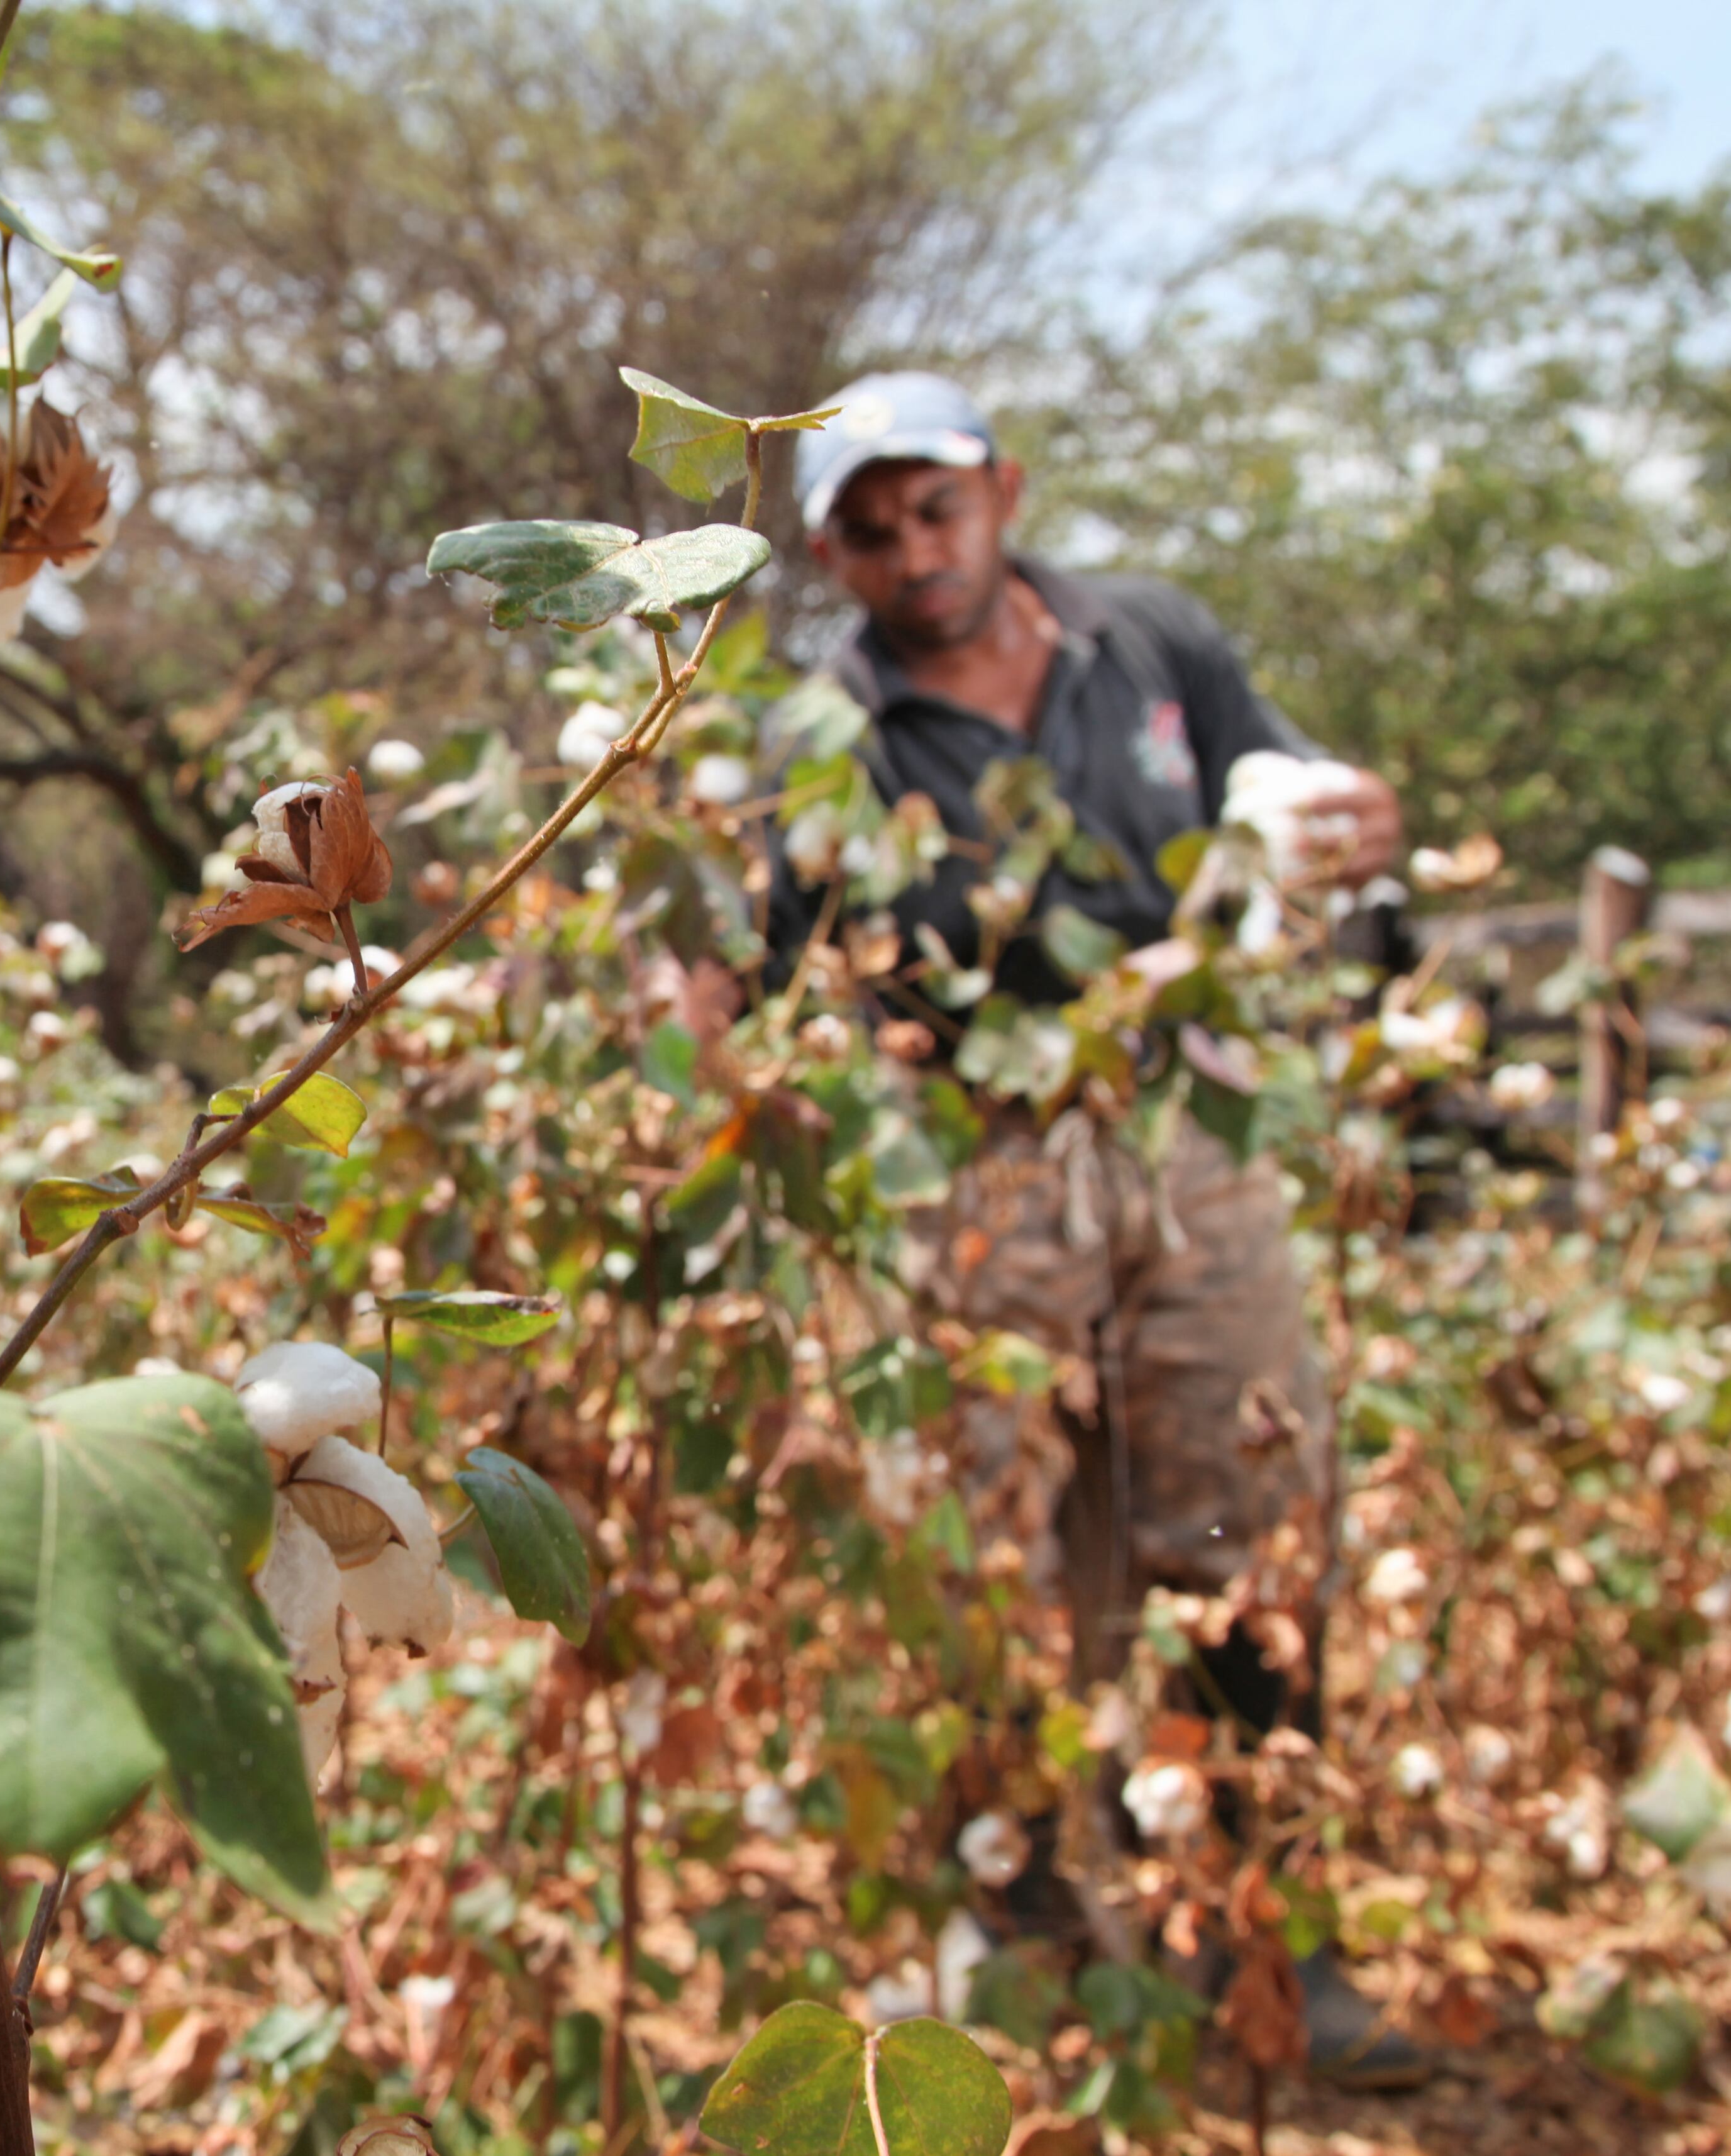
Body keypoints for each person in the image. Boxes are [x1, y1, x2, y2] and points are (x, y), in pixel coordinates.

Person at [770, 371, 1423, 2090]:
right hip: (974, 1166)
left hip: (1190, 1130)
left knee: (1240, 1519)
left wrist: (1346, 832)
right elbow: (776, 975)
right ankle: (1022, 1928)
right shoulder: (819, 736)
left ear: (1003, 489)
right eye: (873, 527)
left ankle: (1272, 1939)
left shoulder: (1155, 643)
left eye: (939, 507)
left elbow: (1280, 798)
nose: (917, 550)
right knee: (987, 1555)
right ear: (831, 553)